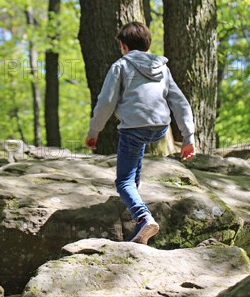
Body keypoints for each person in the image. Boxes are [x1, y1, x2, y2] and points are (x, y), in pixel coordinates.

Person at [84, 21, 196, 245]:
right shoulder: (162, 68)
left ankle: (143, 218)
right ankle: (137, 209)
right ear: (147, 44)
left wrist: (94, 130)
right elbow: (180, 102)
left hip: (134, 128)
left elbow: (106, 102)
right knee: (136, 151)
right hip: (159, 128)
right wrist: (188, 137)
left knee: (123, 181)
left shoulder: (121, 66)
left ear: (123, 46)